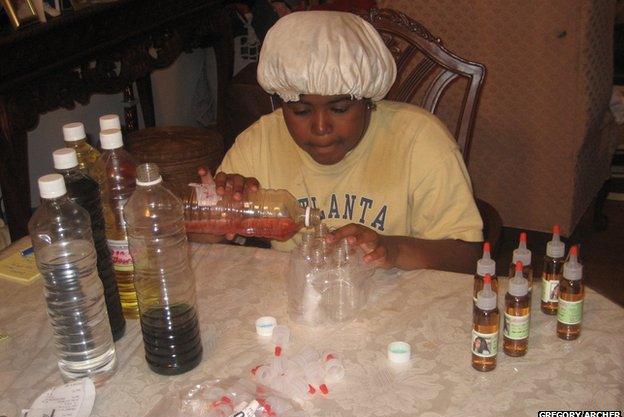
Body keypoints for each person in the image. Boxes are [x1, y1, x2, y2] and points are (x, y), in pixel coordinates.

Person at [196, 10, 483, 273]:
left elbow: (467, 257)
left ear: (368, 100)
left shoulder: (420, 141)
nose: (321, 127)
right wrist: (218, 217)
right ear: (281, 103)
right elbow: (199, 244)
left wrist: (392, 249)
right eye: (301, 111)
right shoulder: (260, 142)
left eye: (340, 109)